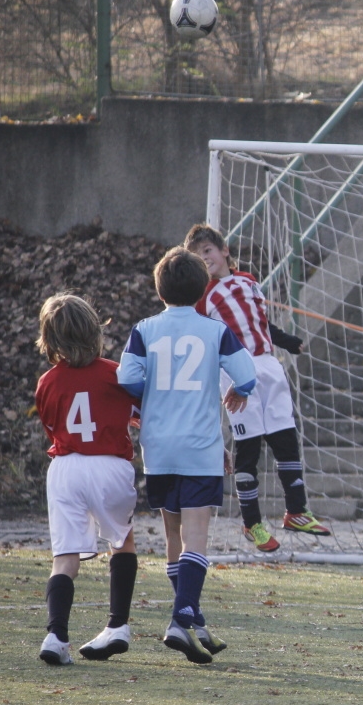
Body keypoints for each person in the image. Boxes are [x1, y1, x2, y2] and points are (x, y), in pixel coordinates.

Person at [118, 247, 257, 664]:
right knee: (197, 538)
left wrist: (154, 395)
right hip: (199, 449)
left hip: (159, 448)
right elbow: (247, 375)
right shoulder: (215, 331)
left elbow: (126, 378)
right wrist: (239, 391)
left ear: (160, 290)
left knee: (173, 539)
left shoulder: (144, 329)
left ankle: (193, 619)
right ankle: (181, 617)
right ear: (202, 290)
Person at [184, 224, 330, 552]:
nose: (204, 257)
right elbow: (203, 340)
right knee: (248, 446)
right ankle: (252, 523)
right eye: (197, 255)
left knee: (285, 438)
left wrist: (291, 342)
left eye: (207, 250)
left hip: (270, 366)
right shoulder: (201, 298)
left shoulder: (249, 282)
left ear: (224, 252)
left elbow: (262, 324)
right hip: (237, 369)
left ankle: (296, 510)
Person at [34, 294, 140, 666]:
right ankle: (117, 626)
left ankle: (56, 635)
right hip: (109, 465)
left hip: (65, 467)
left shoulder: (47, 382)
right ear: (95, 329)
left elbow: (52, 427)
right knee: (122, 542)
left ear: (49, 339)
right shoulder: (117, 373)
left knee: (64, 559)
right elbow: (137, 411)